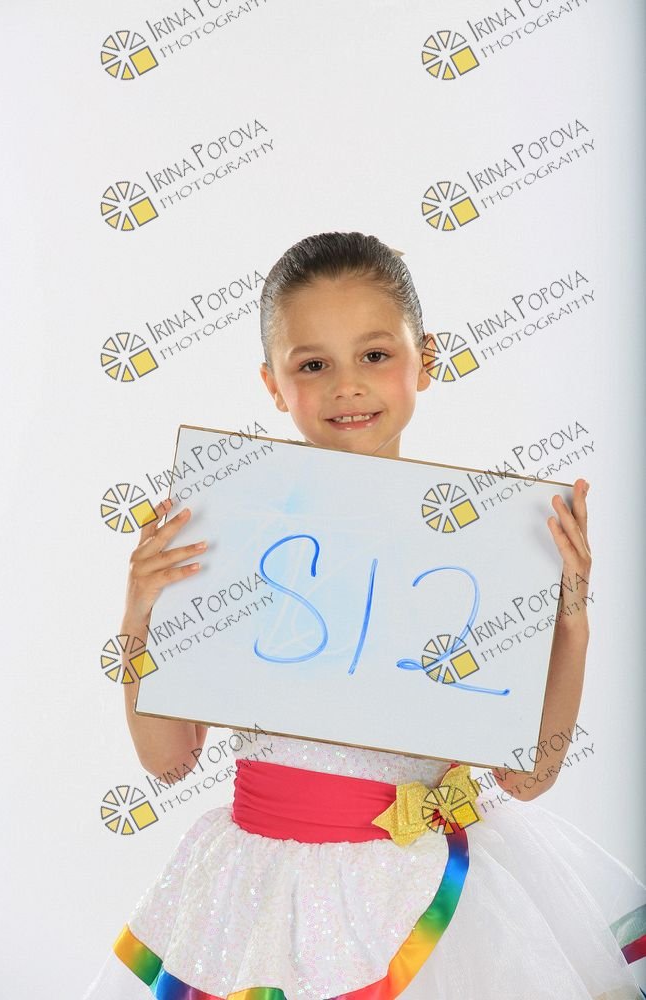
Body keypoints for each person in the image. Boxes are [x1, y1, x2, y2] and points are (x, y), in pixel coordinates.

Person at [83, 232, 645, 999]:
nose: (347, 386)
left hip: (424, 894)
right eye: (312, 365)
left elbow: (527, 776)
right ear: (273, 383)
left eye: (374, 355)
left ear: (426, 359)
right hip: (262, 890)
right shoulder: (228, 533)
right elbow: (168, 761)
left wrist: (568, 619)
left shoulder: (480, 545)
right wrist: (141, 610)